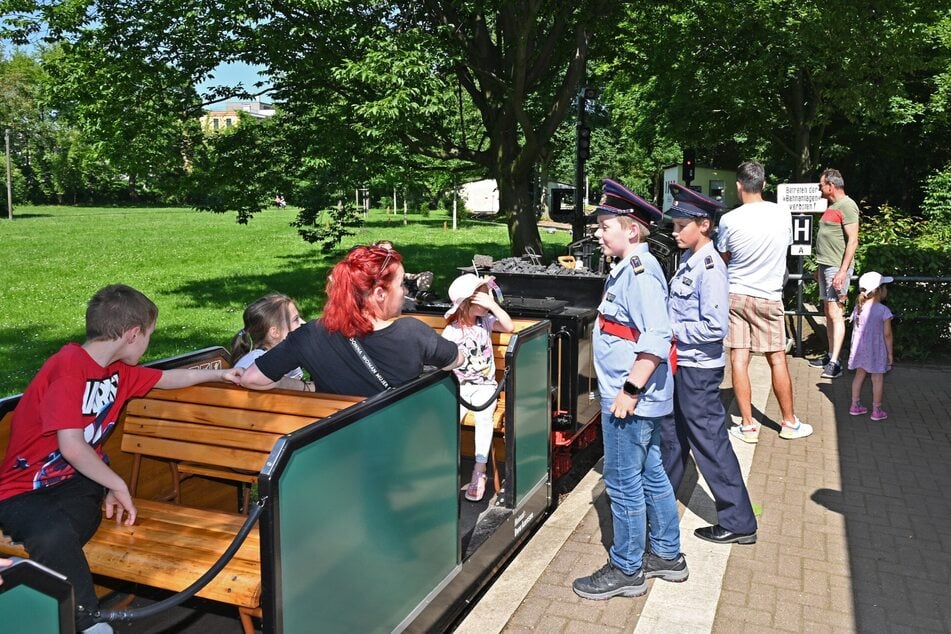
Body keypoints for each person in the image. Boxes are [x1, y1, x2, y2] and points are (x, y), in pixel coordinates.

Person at [0, 284, 243, 634]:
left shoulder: (118, 372)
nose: (148, 344)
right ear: (132, 334)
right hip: (21, 490)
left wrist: (221, 374)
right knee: (52, 536)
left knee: (58, 536)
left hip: (76, 482)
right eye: (148, 335)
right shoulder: (68, 366)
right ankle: (89, 623)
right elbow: (72, 445)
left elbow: (170, 378)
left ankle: (41, 611)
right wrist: (115, 482)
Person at [573, 178, 687, 601]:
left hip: (631, 399)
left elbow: (657, 335)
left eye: (605, 227)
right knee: (651, 471)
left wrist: (629, 390)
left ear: (631, 230)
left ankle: (626, 568)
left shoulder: (638, 273)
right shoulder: (631, 268)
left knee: (622, 483)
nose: (598, 235)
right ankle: (667, 556)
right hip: (637, 396)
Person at [661, 184, 758, 545]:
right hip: (684, 364)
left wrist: (669, 330)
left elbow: (715, 327)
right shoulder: (689, 259)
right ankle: (659, 505)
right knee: (674, 439)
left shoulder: (710, 267)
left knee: (710, 444)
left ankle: (739, 521)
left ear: (703, 224)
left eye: (680, 226)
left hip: (698, 369)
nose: (674, 233)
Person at [240, 245, 462, 396]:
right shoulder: (411, 332)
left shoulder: (309, 335)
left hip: (336, 449)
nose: (404, 291)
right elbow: (456, 360)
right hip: (396, 448)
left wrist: (308, 387)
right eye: (401, 284)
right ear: (379, 294)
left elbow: (252, 378)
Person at [716, 161, 813, 442]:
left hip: (735, 294)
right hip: (769, 296)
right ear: (764, 184)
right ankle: (789, 422)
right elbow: (785, 248)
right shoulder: (782, 213)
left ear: (738, 186)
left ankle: (747, 426)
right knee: (777, 359)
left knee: (738, 357)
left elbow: (724, 258)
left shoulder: (729, 220)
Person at [441, 273, 514, 502]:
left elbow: (509, 325)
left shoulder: (487, 322)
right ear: (466, 304)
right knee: (449, 419)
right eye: (481, 297)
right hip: (460, 387)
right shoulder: (452, 331)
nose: (486, 300)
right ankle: (447, 470)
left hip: (485, 386)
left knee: (484, 418)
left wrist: (492, 304)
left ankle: (479, 470)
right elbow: (442, 362)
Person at [809, 168, 860, 379]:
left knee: (836, 313)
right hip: (825, 266)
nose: (820, 189)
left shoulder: (847, 205)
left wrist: (842, 271)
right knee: (829, 313)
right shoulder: (833, 206)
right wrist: (819, 269)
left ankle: (835, 362)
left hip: (836, 268)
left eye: (821, 185)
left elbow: (853, 240)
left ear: (831, 185)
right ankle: (831, 354)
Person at [231, 293, 308, 390]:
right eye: (296, 319)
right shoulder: (252, 363)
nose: (304, 323)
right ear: (275, 332)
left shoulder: (287, 355)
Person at [848, 272, 894, 421]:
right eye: (885, 287)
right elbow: (887, 335)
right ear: (879, 290)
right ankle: (877, 410)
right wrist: (890, 353)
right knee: (877, 378)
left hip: (860, 350)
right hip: (877, 350)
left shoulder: (858, 308)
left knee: (859, 375)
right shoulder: (883, 311)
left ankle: (855, 405)